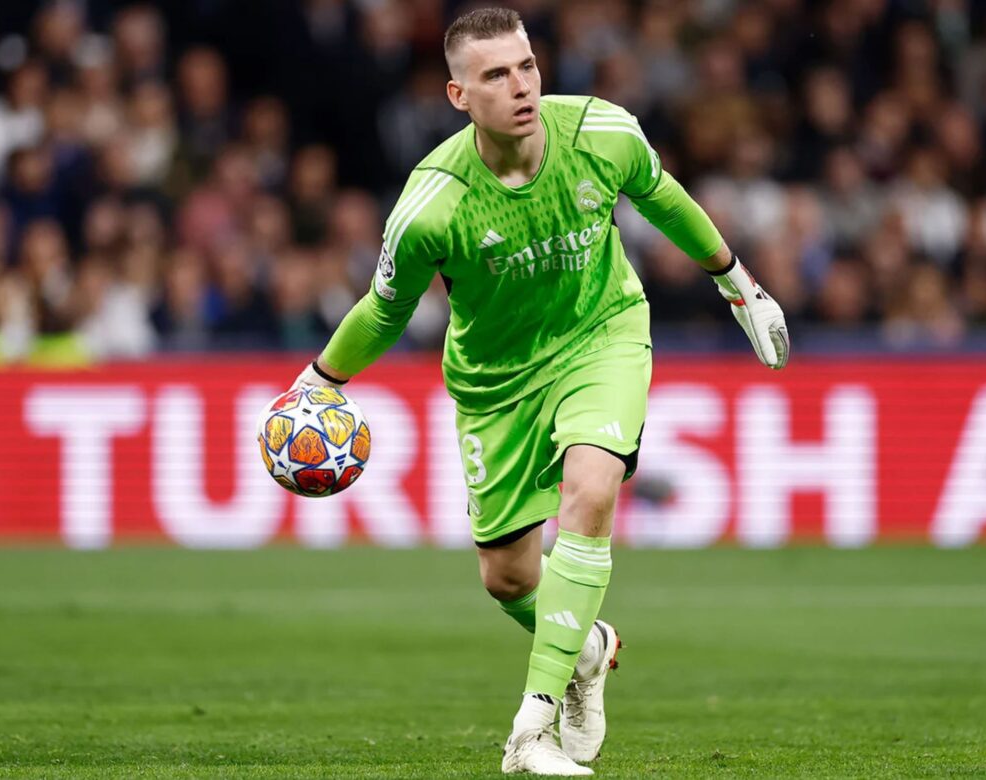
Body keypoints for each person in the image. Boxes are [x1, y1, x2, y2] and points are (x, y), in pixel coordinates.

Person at [289, 8, 789, 776]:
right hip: (496, 384)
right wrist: (317, 380)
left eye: (526, 66)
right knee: (509, 577)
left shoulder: (603, 133)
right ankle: (586, 650)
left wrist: (737, 281)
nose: (520, 85)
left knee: (591, 491)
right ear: (459, 95)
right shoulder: (433, 206)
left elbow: (662, 198)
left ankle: (532, 729)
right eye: (496, 75)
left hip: (603, 337)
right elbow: (385, 308)